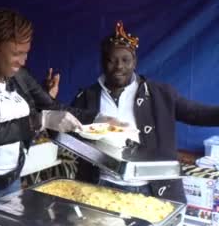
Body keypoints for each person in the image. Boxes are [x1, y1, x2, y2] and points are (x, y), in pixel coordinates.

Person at [0, 8, 96, 216]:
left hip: (10, 181)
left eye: (26, 53)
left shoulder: (19, 75)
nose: (23, 61)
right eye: (16, 53)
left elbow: (52, 107)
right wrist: (37, 121)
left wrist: (99, 118)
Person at [72, 21, 219, 202]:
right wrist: (49, 101)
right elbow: (68, 129)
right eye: (112, 60)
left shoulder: (161, 94)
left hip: (151, 189)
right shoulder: (87, 97)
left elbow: (196, 113)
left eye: (125, 60)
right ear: (103, 62)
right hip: (101, 186)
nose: (119, 66)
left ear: (135, 61)